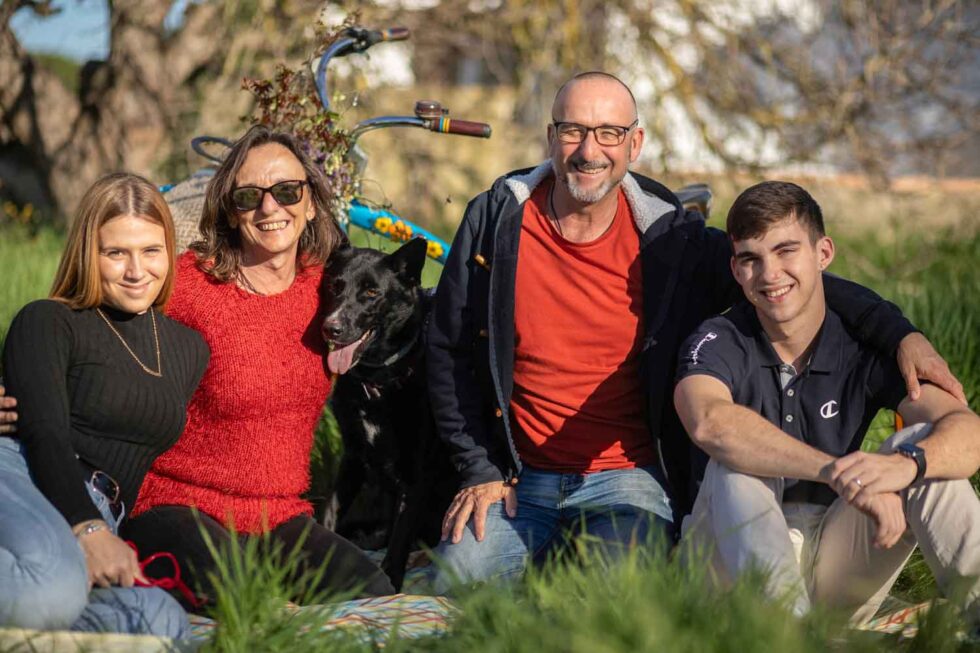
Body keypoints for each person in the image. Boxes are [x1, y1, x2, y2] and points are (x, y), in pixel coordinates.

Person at [425, 71, 964, 592]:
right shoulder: (497, 220)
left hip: (628, 475)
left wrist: (899, 334)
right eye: (574, 131)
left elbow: (782, 282)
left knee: (615, 601)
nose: (590, 150)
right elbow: (447, 347)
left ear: (634, 143)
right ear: (551, 137)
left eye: (609, 133)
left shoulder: (670, 238)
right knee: (457, 584)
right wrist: (479, 467)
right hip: (519, 473)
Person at [674, 181, 980, 623]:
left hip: (837, 550)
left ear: (823, 254)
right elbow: (710, 423)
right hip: (723, 567)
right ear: (737, 271)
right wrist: (836, 473)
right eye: (751, 259)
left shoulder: (865, 345)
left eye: (786, 251)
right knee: (734, 464)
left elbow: (966, 429)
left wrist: (907, 465)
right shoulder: (718, 339)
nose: (770, 274)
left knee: (924, 451)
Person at [120, 125, 395, 602]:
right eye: (249, 196)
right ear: (231, 211)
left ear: (310, 203)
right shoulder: (189, 283)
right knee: (243, 600)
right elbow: (94, 323)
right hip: (175, 503)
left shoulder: (329, 291)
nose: (271, 208)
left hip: (278, 517)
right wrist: (24, 383)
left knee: (373, 593)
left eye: (288, 191)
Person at [0, 173, 207, 637]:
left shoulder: (189, 350)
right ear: (88, 255)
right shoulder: (49, 319)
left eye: (151, 251)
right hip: (27, 475)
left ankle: (38, 623)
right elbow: (44, 434)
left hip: (101, 509)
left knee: (163, 622)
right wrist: (88, 530)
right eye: (116, 253)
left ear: (169, 252)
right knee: (44, 591)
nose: (137, 271)